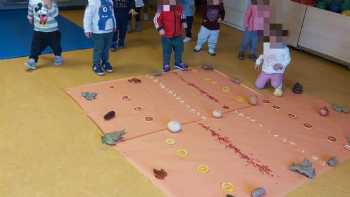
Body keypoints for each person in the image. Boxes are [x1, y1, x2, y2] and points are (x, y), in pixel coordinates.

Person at [255, 24, 290, 97]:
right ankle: (267, 80)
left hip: (276, 71)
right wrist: (258, 62)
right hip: (266, 70)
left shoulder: (284, 49)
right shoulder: (267, 44)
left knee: (275, 84)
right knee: (258, 85)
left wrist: (281, 65)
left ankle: (279, 85)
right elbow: (263, 55)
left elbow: (288, 59)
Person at [26, 0, 63, 70]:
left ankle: (58, 56)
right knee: (35, 45)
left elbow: (55, 14)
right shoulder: (32, 1)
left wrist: (49, 6)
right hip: (38, 29)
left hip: (52, 30)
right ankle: (32, 59)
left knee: (56, 45)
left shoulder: (52, 1)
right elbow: (30, 9)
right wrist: (30, 17)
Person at [153, 0, 188, 72]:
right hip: (166, 36)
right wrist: (160, 29)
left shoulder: (179, 7)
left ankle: (178, 63)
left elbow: (182, 16)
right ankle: (166, 64)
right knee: (167, 51)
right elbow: (156, 19)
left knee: (179, 49)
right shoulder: (162, 7)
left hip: (178, 34)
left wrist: (184, 22)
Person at [84, 0, 116, 76]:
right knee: (99, 48)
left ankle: (105, 62)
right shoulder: (93, 2)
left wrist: (114, 24)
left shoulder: (110, 1)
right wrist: (87, 29)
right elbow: (88, 16)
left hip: (109, 30)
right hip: (98, 31)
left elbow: (112, 14)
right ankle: (96, 64)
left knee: (106, 48)